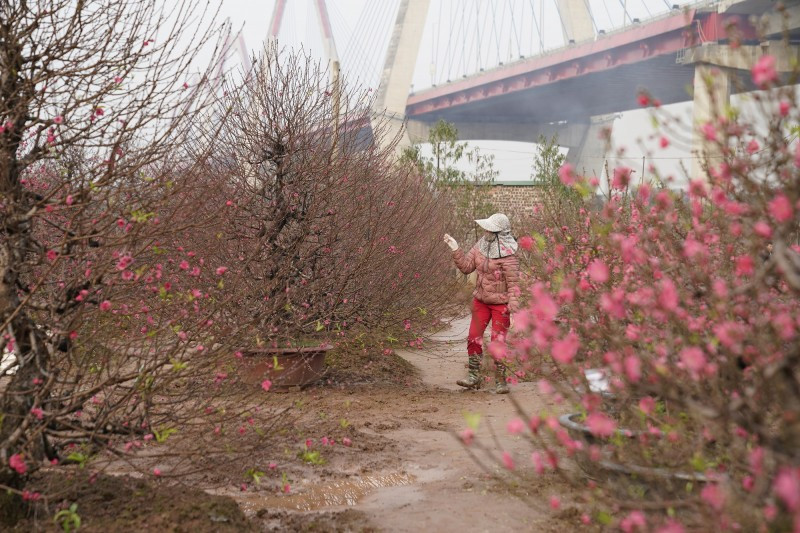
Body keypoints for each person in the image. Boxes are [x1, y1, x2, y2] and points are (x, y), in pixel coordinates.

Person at [443, 213, 520, 394]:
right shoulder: (480, 245)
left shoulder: (509, 255)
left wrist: (514, 311)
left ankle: (500, 381)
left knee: (497, 341)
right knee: (473, 337)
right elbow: (466, 267)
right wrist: (455, 249)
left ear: (500, 233)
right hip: (481, 301)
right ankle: (473, 376)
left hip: (501, 304)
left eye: (490, 229)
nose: (486, 231)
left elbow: (514, 286)